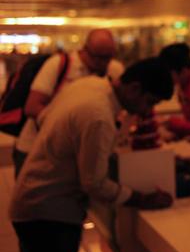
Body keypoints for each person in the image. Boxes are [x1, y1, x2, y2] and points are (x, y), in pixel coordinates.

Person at [9, 57, 175, 252]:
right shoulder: (98, 116)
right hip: (49, 215)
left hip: (31, 204)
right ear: (135, 88)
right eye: (150, 101)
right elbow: (94, 183)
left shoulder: (88, 85)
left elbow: (46, 118)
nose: (146, 110)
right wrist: (142, 198)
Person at [13, 28, 124, 176]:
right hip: (35, 148)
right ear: (85, 50)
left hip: (73, 154)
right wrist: (66, 127)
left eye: (107, 57)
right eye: (97, 57)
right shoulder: (59, 64)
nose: (102, 63)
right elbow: (32, 107)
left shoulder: (114, 70)